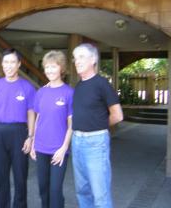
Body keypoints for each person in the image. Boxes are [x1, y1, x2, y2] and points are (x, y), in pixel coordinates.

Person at [71, 43, 123, 208]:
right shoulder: (78, 86)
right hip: (77, 141)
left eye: (81, 56)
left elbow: (117, 115)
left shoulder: (102, 84)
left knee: (100, 194)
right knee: (82, 190)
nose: (76, 61)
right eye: (75, 57)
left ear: (93, 59)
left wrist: (98, 126)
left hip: (95, 142)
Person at [0, 48, 35, 208]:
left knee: (20, 176)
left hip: (19, 133)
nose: (9, 66)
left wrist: (30, 137)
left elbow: (31, 113)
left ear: (19, 64)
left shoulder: (27, 87)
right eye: (6, 62)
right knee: (0, 176)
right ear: (2, 64)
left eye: (13, 62)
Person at [30, 50, 73, 208]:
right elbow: (38, 118)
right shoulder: (41, 92)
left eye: (53, 66)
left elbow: (71, 125)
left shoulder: (69, 93)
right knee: (43, 189)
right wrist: (33, 142)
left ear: (61, 68)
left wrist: (64, 148)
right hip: (41, 147)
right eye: (47, 67)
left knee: (55, 190)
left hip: (58, 150)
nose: (49, 70)